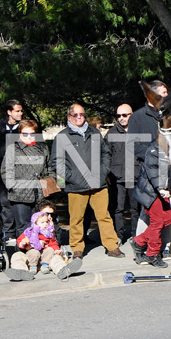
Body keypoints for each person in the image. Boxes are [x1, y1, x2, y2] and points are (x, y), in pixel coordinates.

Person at [49, 104, 125, 260]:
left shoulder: (95, 133)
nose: (79, 117)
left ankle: (112, 246)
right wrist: (73, 177)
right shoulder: (62, 137)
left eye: (82, 114)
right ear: (69, 117)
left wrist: (103, 172)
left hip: (98, 184)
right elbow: (57, 162)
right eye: (75, 115)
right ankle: (77, 249)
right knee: (77, 219)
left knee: (104, 216)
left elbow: (106, 154)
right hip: (76, 186)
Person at [0, 119, 50, 238]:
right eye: (25, 134)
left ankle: (41, 250)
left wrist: (48, 182)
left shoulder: (43, 148)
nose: (28, 136)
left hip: (39, 192)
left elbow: (49, 168)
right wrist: (13, 186)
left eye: (32, 133)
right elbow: (6, 170)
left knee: (41, 224)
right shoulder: (13, 149)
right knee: (23, 226)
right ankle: (25, 253)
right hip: (20, 194)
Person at [5, 211, 82, 281]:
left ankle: (63, 269)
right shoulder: (29, 232)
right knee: (17, 255)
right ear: (35, 223)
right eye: (42, 222)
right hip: (31, 260)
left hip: (46, 260)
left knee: (56, 258)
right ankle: (20, 271)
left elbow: (53, 243)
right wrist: (23, 243)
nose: (45, 224)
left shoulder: (48, 233)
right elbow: (20, 241)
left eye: (46, 222)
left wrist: (57, 250)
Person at [131, 139, 171, 268]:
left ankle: (139, 242)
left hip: (163, 191)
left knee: (168, 219)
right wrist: (161, 188)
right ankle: (152, 254)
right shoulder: (154, 149)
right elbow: (153, 171)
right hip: (151, 192)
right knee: (158, 221)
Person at [0, 99, 24, 235]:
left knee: (21, 201)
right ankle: (9, 232)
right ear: (9, 112)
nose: (20, 113)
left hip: (22, 169)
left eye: (21, 111)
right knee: (6, 201)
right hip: (4, 170)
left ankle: (22, 231)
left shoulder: (24, 127)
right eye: (17, 111)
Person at [107, 103, 137, 244]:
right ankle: (118, 236)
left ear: (132, 114)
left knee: (135, 208)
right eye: (118, 115)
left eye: (124, 115)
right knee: (117, 208)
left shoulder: (139, 131)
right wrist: (107, 173)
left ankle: (136, 235)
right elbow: (105, 155)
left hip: (134, 176)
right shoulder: (111, 134)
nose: (121, 118)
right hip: (117, 178)